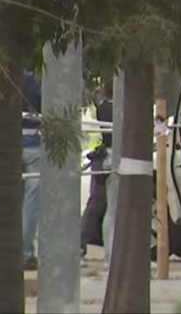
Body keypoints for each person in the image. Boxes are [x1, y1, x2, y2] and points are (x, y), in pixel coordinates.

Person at [80, 82, 113, 261]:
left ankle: (81, 242)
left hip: (99, 156)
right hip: (101, 157)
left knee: (97, 203)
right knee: (98, 203)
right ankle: (80, 242)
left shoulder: (97, 108)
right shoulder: (102, 109)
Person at [21, 70, 42, 270]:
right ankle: (25, 252)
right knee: (31, 199)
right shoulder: (32, 80)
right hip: (32, 143)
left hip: (1, 146)